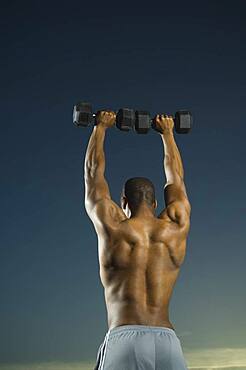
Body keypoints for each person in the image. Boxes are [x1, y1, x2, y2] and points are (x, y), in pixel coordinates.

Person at [84, 109, 191, 369]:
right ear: (155, 202)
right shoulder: (175, 226)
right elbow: (175, 178)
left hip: (124, 338)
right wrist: (167, 133)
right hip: (167, 343)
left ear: (123, 202)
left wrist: (100, 128)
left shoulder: (114, 227)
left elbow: (93, 176)